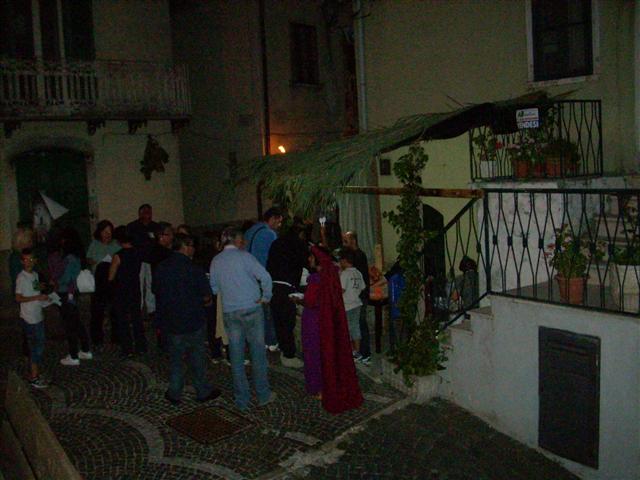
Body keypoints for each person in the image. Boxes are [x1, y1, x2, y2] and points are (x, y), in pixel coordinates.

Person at [210, 227, 275, 411]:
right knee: (258, 353)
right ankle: (263, 394)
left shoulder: (216, 261)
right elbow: (265, 277)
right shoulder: (246, 257)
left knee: (236, 356)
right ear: (237, 240)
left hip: (231, 311)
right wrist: (266, 296)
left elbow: (214, 288)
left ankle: (242, 399)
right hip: (252, 308)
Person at [153, 234, 222, 405]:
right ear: (185, 246)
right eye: (192, 246)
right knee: (197, 357)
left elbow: (156, 290)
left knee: (176, 359)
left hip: (171, 320)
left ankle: (175, 391)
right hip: (193, 320)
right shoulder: (193, 268)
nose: (194, 250)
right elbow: (206, 296)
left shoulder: (161, 267)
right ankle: (202, 390)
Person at [310, 246, 363, 414]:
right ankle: (357, 352)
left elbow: (320, 299)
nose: (309, 260)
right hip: (344, 312)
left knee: (331, 354)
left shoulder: (328, 275)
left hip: (333, 320)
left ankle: (332, 389)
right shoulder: (334, 273)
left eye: (311, 257)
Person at [266, 221, 307, 368]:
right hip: (287, 286)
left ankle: (284, 351)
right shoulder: (297, 245)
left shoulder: (276, 243)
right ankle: (289, 355)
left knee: (279, 321)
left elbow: (269, 264)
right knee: (288, 323)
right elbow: (300, 265)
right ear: (300, 234)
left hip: (274, 285)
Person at [244, 207, 283, 350]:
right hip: (262, 278)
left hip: (248, 278)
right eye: (278, 222)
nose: (279, 226)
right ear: (272, 219)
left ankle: (255, 340)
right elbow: (274, 259)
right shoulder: (269, 234)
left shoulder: (250, 231)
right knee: (267, 312)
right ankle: (271, 341)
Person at [55, 228, 92, 366]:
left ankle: (73, 355)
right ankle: (85, 349)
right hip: (73, 292)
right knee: (76, 322)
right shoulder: (77, 256)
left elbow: (66, 278)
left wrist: (56, 281)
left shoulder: (69, 258)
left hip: (67, 293)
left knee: (70, 324)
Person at [109, 226, 147, 357]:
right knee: (136, 317)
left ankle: (127, 348)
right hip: (134, 287)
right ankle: (141, 346)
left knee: (123, 319)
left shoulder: (118, 256)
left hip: (121, 290)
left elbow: (111, 276)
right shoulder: (137, 253)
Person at [15, 249, 50, 388]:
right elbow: (18, 298)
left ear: (35, 260)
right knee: (35, 347)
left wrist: (42, 293)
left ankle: (34, 372)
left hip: (37, 314)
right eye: (26, 260)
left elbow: (35, 288)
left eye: (31, 259)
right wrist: (36, 297)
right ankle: (34, 376)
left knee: (39, 344)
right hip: (29, 317)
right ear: (22, 261)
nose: (29, 262)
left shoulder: (34, 275)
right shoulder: (21, 278)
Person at [86, 220, 120, 347]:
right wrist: (95, 262)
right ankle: (97, 338)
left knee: (115, 309)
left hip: (112, 280)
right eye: (105, 232)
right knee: (97, 310)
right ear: (100, 232)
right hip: (98, 280)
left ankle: (116, 336)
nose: (107, 234)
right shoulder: (94, 244)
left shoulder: (115, 244)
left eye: (109, 232)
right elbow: (88, 258)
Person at [342, 231, 372, 365]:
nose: (344, 244)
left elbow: (359, 279)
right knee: (355, 325)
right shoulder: (354, 256)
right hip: (356, 297)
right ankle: (357, 351)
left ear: (353, 240)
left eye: (346, 240)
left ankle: (365, 353)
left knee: (360, 324)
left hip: (359, 297)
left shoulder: (359, 256)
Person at [297, 250, 322, 397]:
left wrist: (299, 300)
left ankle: (318, 387)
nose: (309, 259)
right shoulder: (330, 276)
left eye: (312, 256)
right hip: (323, 317)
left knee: (314, 352)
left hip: (313, 319)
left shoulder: (315, 279)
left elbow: (310, 301)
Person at [127, 204, 159, 318]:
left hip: (152, 260)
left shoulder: (155, 227)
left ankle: (152, 309)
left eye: (149, 212)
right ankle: (138, 308)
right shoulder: (132, 226)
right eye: (145, 212)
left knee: (151, 284)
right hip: (138, 260)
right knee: (138, 284)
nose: (148, 214)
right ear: (140, 213)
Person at [147, 222, 174, 351]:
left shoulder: (158, 251)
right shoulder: (163, 253)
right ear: (161, 236)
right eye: (169, 234)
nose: (172, 237)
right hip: (165, 289)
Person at [339, 249, 366, 361]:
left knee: (347, 328)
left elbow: (342, 289)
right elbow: (362, 287)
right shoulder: (358, 273)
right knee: (355, 326)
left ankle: (350, 351)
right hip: (357, 303)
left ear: (344, 261)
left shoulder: (345, 274)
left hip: (347, 305)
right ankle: (357, 351)